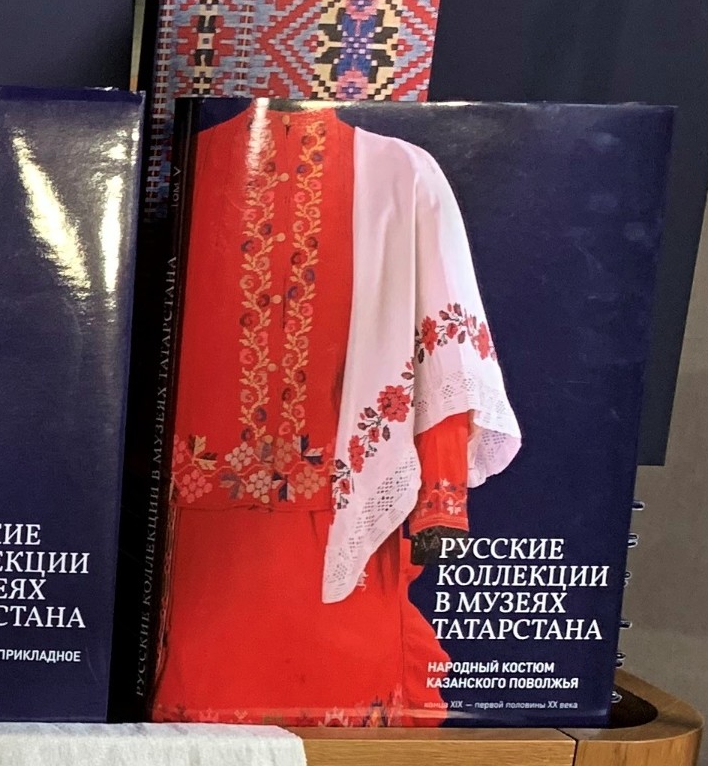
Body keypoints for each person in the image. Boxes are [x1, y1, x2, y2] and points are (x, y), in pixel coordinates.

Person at [153, 104, 521, 724]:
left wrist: (442, 497)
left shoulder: (402, 172)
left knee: (344, 714)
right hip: (199, 526)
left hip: (344, 508)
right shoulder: (181, 167)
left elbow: (443, 349)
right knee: (198, 716)